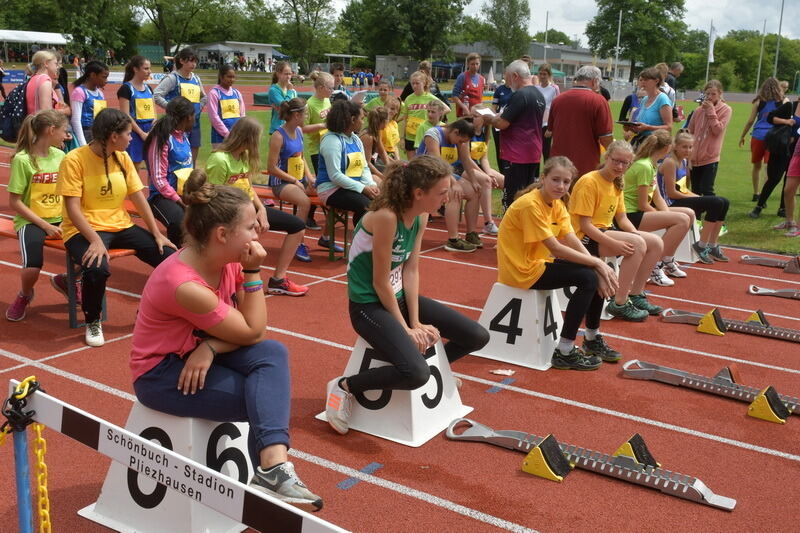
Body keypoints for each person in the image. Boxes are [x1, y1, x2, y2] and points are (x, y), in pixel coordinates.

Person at [129, 170, 322, 511]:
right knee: (260, 397)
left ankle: (272, 467)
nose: (259, 231)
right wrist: (253, 273)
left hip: (203, 350)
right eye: (249, 227)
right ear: (221, 234)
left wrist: (211, 347)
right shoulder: (185, 285)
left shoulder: (226, 259)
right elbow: (251, 330)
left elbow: (252, 332)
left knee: (272, 353)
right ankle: (271, 472)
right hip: (162, 373)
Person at [324, 156, 489, 434]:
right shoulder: (386, 217)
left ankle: (442, 371)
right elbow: (379, 282)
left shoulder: (421, 216)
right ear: (418, 193)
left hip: (396, 297)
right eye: (442, 192)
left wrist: (416, 321)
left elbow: (410, 271)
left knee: (476, 336)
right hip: (368, 305)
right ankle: (345, 386)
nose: (448, 197)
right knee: (416, 373)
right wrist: (406, 328)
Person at [57, 109, 175, 346]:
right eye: (128, 134)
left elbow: (139, 198)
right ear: (113, 136)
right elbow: (72, 209)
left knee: (171, 258)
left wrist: (156, 234)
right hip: (82, 230)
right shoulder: (74, 160)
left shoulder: (122, 159)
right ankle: (93, 320)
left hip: (119, 225)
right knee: (97, 268)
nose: (132, 138)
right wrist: (95, 240)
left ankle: (153, 309)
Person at [498, 157, 620, 370]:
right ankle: (565, 350)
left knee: (597, 271)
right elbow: (555, 247)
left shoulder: (557, 204)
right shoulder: (530, 204)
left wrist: (597, 264)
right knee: (588, 277)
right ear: (543, 178)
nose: (561, 186)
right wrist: (595, 265)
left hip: (537, 264)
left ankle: (591, 338)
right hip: (521, 270)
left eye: (566, 182)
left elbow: (572, 239)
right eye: (555, 180)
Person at [209, 116, 310, 295]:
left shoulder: (243, 156)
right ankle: (228, 282)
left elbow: (248, 187)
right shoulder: (219, 160)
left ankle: (278, 280)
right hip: (228, 213)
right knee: (249, 241)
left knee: (298, 226)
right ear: (247, 138)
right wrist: (247, 219)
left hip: (247, 207)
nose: (259, 142)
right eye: (257, 138)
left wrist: (261, 209)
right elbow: (215, 198)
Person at [569, 140, 664, 322]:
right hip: (583, 238)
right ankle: (619, 303)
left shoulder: (617, 183)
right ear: (607, 157)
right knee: (636, 245)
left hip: (605, 231)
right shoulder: (589, 182)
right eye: (616, 161)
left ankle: (635, 294)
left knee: (655, 243)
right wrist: (615, 243)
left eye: (625, 163)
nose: (620, 166)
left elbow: (622, 219)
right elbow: (585, 226)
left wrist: (636, 235)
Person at [6, 111, 70, 321]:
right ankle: (24, 295)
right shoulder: (23, 160)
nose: (65, 135)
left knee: (94, 248)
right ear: (51, 130)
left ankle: (67, 281)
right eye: (63, 131)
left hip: (60, 217)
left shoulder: (60, 156)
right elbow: (14, 202)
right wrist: (45, 225)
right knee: (33, 266)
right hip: (31, 220)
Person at [622, 130, 692, 287]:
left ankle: (667, 259)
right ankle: (654, 266)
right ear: (667, 148)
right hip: (630, 214)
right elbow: (642, 204)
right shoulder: (644, 167)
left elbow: (657, 197)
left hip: (639, 211)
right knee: (681, 220)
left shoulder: (651, 165)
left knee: (688, 214)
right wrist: (666, 218)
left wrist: (666, 215)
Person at [658, 131, 730, 261]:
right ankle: (701, 245)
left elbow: (683, 189)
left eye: (690, 147)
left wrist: (697, 196)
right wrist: (697, 198)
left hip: (678, 198)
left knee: (724, 202)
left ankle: (712, 245)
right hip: (669, 202)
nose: (688, 150)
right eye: (684, 147)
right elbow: (671, 193)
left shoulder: (684, 162)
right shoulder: (670, 162)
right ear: (675, 147)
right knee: (716, 203)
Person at [486, 60, 545, 209]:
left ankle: (510, 229)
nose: (507, 81)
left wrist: (488, 118)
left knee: (512, 198)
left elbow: (502, 123)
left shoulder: (520, 95)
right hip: (533, 152)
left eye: (507, 77)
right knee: (528, 196)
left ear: (515, 76)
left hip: (516, 154)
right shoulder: (538, 94)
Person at [417, 119, 483, 252]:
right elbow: (438, 162)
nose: (461, 144)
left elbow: (465, 160)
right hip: (425, 173)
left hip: (444, 175)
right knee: (454, 192)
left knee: (473, 192)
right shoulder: (433, 134)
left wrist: (474, 180)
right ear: (456, 132)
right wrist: (454, 183)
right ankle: (453, 239)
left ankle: (471, 234)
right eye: (461, 141)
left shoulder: (458, 139)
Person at [267, 98, 319, 261]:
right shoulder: (278, 136)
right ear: (296, 115)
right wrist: (294, 181)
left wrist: (310, 178)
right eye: (305, 114)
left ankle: (326, 237)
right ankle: (298, 243)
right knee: (305, 202)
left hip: (299, 179)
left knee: (325, 190)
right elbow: (272, 168)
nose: (306, 117)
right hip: (281, 183)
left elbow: (301, 158)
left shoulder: (299, 132)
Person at [315, 100, 379, 225]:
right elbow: (335, 176)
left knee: (380, 202)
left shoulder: (355, 139)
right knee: (368, 206)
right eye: (361, 118)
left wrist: (371, 185)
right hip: (331, 189)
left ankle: (363, 238)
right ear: (352, 119)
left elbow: (363, 167)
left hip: (351, 186)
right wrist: (363, 188)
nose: (363, 121)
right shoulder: (331, 141)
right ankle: (361, 239)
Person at [144, 96, 195, 246]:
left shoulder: (183, 136)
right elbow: (159, 179)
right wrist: (179, 200)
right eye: (193, 116)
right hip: (161, 197)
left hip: (183, 193)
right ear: (187, 117)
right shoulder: (162, 138)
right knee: (181, 222)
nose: (195, 120)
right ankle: (174, 258)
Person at [547, 65, 612, 178]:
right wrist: (613, 156)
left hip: (558, 163)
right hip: (586, 165)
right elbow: (606, 137)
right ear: (595, 81)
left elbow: (550, 130)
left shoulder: (558, 100)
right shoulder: (599, 101)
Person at [153, 48, 206, 162]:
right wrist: (172, 109)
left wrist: (198, 109)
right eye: (190, 61)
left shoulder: (196, 79)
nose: (193, 64)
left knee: (193, 158)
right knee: (178, 159)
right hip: (177, 125)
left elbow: (204, 97)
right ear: (181, 61)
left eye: (195, 61)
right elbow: (157, 95)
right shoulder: (173, 78)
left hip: (194, 124)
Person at [750, 91, 796, 219]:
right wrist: (786, 121)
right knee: (773, 179)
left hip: (796, 153)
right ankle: (759, 206)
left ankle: (783, 208)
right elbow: (770, 117)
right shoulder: (790, 106)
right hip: (780, 148)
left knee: (789, 182)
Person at [460, 107, 504, 235]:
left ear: (484, 119)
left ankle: (508, 216)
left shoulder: (485, 132)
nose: (471, 118)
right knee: (486, 181)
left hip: (478, 166)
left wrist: (489, 172)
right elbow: (466, 159)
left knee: (504, 181)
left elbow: (484, 158)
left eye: (475, 116)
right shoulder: (467, 131)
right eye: (471, 116)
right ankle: (488, 223)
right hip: (464, 167)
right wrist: (486, 175)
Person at [739, 78, 784, 201]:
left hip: (758, 136)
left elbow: (750, 121)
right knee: (768, 167)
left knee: (756, 166)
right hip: (773, 137)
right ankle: (764, 194)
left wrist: (742, 136)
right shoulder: (783, 101)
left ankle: (756, 193)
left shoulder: (759, 101)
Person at [686, 80, 731, 196]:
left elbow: (717, 130)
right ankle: (697, 214)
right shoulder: (698, 110)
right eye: (708, 94)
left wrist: (711, 111)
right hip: (695, 157)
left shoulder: (726, 110)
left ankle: (713, 214)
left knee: (707, 189)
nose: (710, 97)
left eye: (713, 94)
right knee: (695, 190)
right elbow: (690, 131)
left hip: (710, 157)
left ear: (720, 93)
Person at [401, 71, 450, 160]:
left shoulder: (430, 97)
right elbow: (405, 119)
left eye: (417, 83)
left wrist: (434, 116)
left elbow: (447, 109)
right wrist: (402, 138)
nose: (415, 86)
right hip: (410, 136)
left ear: (424, 83)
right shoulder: (408, 98)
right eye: (413, 83)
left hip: (424, 134)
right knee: (412, 164)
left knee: (424, 161)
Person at [117, 56, 156, 167]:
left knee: (153, 166)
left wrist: (151, 131)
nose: (149, 72)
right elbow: (126, 115)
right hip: (134, 132)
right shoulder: (126, 89)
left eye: (149, 68)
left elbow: (154, 113)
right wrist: (141, 133)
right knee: (134, 166)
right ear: (135, 69)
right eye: (146, 68)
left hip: (150, 131)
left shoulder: (149, 88)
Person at [628, 67, 673, 145]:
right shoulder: (644, 99)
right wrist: (633, 128)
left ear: (656, 81)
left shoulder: (662, 99)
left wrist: (648, 127)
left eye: (646, 80)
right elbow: (642, 123)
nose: (642, 83)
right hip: (642, 142)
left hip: (656, 144)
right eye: (641, 80)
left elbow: (669, 127)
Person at [70, 60, 109, 146]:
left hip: (98, 133)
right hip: (85, 133)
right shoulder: (79, 92)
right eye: (104, 77)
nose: (106, 80)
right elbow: (76, 120)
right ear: (93, 75)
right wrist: (83, 144)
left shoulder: (100, 94)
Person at [208, 64, 245, 146]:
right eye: (229, 77)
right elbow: (214, 117)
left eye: (233, 77)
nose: (231, 79)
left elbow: (242, 115)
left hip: (236, 136)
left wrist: (239, 132)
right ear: (221, 77)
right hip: (219, 137)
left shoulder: (237, 93)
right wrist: (227, 134)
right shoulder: (214, 93)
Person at [536, 63, 561, 160]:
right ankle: (535, 175)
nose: (542, 76)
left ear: (549, 75)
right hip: (536, 122)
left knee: (546, 151)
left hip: (547, 124)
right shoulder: (536, 88)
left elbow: (557, 107)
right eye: (540, 74)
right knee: (536, 150)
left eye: (544, 74)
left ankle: (548, 173)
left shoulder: (554, 88)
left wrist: (551, 127)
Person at [360, 106, 389, 182]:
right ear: (383, 121)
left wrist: (390, 168)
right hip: (361, 169)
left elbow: (382, 152)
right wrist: (383, 177)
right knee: (383, 183)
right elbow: (367, 163)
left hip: (370, 164)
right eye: (387, 120)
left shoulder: (377, 132)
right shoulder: (368, 137)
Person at [451, 53, 485, 117]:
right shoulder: (462, 77)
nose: (475, 66)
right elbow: (454, 96)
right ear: (468, 64)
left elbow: (480, 98)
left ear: (479, 64)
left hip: (477, 114)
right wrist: (464, 107)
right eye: (472, 64)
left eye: (477, 64)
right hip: (464, 115)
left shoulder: (482, 79)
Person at [267, 61, 296, 133]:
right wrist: (289, 91)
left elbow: (296, 107)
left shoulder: (292, 90)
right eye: (286, 74)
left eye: (290, 74)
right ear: (278, 74)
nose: (288, 76)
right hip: (279, 128)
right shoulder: (273, 90)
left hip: (292, 126)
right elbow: (285, 106)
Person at [491, 79, 513, 173]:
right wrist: (493, 118)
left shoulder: (516, 90)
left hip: (511, 124)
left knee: (511, 148)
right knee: (499, 149)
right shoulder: (499, 89)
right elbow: (494, 107)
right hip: (498, 123)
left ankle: (511, 171)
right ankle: (502, 173)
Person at [379, 95, 403, 160]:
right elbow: (378, 148)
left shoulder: (394, 124)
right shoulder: (379, 124)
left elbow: (394, 145)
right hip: (380, 156)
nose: (393, 111)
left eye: (396, 109)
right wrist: (391, 161)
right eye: (391, 108)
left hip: (391, 155)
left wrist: (397, 159)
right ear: (384, 107)